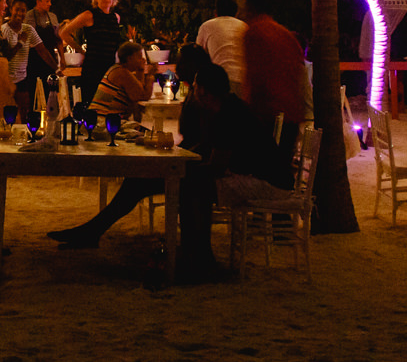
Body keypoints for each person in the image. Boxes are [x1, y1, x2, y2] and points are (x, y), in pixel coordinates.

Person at [46, 66, 289, 282]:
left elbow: (214, 167)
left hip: (266, 181)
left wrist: (175, 169)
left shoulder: (228, 113)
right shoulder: (219, 109)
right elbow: (203, 151)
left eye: (194, 88)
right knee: (143, 180)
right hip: (245, 174)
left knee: (189, 184)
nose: (193, 93)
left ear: (204, 90)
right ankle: (94, 231)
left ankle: (199, 257)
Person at [237, 0, 308, 157]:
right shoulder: (284, 33)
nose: (239, 14)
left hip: (268, 114)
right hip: (291, 113)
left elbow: (256, 78)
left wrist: (247, 116)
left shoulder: (254, 32)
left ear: (250, 8)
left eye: (242, 8)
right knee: (282, 170)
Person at [61, 0, 125, 111]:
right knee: (91, 105)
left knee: (109, 106)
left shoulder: (116, 17)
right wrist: (80, 51)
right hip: (93, 67)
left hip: (110, 68)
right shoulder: (89, 15)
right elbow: (64, 33)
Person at [90, 40, 152, 124]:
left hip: (101, 120)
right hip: (104, 122)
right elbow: (141, 96)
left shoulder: (119, 70)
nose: (143, 60)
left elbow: (138, 92)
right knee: (147, 134)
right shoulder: (121, 73)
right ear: (129, 58)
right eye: (139, 57)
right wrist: (151, 77)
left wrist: (140, 70)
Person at [2, 0, 45, 112]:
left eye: (23, 10)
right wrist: (20, 43)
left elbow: (42, 50)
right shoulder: (4, 30)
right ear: (11, 9)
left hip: (22, 79)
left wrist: (57, 68)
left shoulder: (28, 29)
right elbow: (5, 57)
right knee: (9, 114)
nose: (20, 13)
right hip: (7, 80)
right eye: (17, 9)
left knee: (25, 112)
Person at [196, 0, 247, 89]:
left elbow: (198, 56)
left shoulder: (207, 26)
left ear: (216, 12)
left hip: (219, 81)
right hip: (244, 81)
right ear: (236, 12)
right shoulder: (244, 27)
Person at [21, 0, 63, 107]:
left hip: (49, 58)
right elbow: (31, 39)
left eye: (50, 1)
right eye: (47, 1)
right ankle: (31, 118)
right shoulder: (29, 16)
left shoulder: (53, 17)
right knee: (31, 89)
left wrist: (62, 60)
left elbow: (58, 39)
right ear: (38, 2)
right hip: (34, 58)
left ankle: (51, 115)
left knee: (51, 89)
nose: (50, 4)